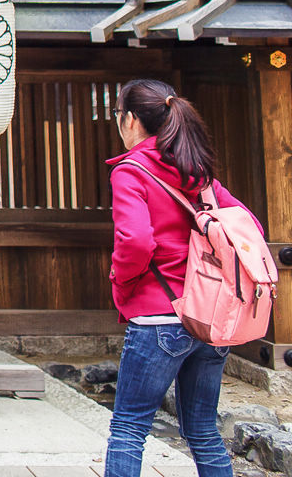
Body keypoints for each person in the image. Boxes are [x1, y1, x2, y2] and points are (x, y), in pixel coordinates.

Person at [104, 79, 248, 477]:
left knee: (129, 427)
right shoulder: (195, 170)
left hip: (158, 314)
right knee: (202, 430)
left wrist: (123, 282)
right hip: (208, 317)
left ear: (131, 119)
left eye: (118, 114)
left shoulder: (132, 171)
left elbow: (135, 243)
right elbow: (246, 225)